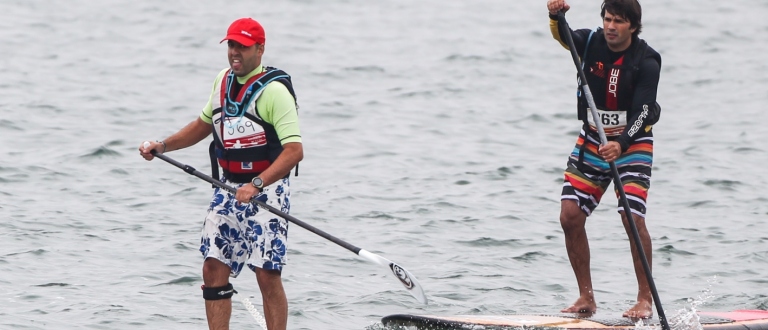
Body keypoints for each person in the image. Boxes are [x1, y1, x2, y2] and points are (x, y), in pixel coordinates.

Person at [139, 17, 302, 330]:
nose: (235, 52)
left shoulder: (275, 92)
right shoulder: (222, 82)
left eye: (242, 46)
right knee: (213, 267)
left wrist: (257, 184)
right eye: (231, 45)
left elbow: (294, 152)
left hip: (267, 191)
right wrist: (162, 145)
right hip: (226, 189)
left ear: (260, 49)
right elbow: (203, 125)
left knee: (266, 273)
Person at [546, 0, 662, 319]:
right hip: (592, 141)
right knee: (570, 216)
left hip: (633, 144)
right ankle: (586, 298)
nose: (611, 26)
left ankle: (644, 300)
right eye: (608, 19)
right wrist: (556, 15)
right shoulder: (590, 42)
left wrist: (621, 144)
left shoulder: (647, 60)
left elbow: (645, 112)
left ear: (633, 27)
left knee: (631, 218)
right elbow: (563, 35)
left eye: (619, 21)